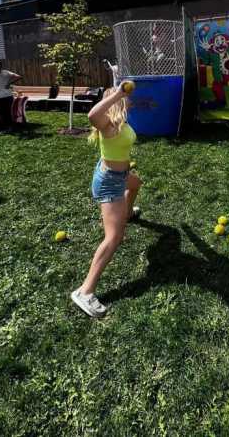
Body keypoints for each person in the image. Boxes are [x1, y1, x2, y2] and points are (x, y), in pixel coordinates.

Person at [71, 83, 142, 318]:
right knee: (114, 237)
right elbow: (92, 114)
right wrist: (119, 93)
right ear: (117, 101)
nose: (128, 99)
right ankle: (85, 291)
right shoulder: (107, 125)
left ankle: (128, 212)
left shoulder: (120, 122)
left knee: (136, 183)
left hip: (119, 176)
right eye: (124, 98)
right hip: (109, 183)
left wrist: (124, 95)